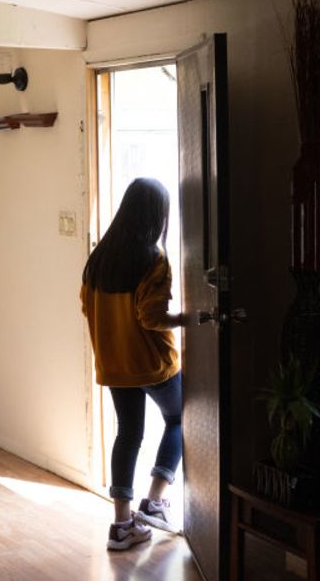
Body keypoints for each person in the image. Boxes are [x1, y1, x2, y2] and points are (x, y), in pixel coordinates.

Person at [80, 177, 190, 551]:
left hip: (114, 365)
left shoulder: (99, 259)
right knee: (179, 419)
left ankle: (122, 525)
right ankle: (155, 501)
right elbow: (152, 317)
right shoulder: (153, 259)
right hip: (153, 365)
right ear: (156, 215)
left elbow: (86, 307)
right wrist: (189, 319)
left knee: (128, 435)